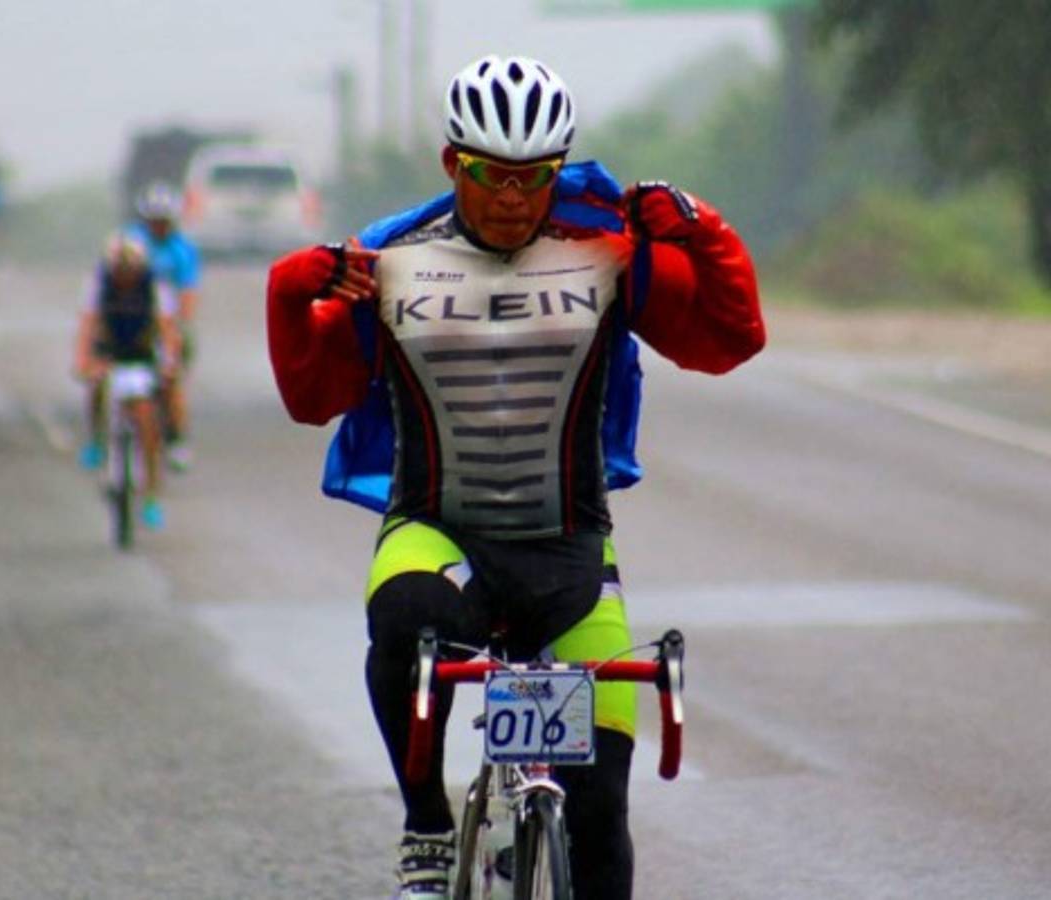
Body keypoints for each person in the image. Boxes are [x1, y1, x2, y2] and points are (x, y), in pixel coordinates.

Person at [267, 55, 765, 899]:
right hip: (438, 533)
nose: (511, 197)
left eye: (533, 177)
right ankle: (426, 824)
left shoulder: (609, 254)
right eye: (490, 174)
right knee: (405, 614)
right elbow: (312, 399)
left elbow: (729, 338)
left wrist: (701, 227)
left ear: (556, 171)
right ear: (451, 165)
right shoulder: (388, 264)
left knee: (601, 816)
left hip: (569, 555)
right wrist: (290, 298)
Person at [73, 233, 180, 530]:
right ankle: (95, 439)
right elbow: (87, 325)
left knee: (146, 418)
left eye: (130, 271)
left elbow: (167, 329)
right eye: (119, 271)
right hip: (110, 353)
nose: (125, 277)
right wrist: (84, 361)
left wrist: (169, 362)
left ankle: (151, 495)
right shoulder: (98, 286)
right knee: (96, 385)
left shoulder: (155, 288)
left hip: (142, 355)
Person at [127, 180, 202, 472]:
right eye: (153, 222)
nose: (159, 227)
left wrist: (180, 328)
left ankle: (176, 439)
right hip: (135, 318)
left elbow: (187, 292)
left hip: (167, 323)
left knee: (172, 380)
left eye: (164, 222)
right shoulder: (132, 244)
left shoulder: (182, 250)